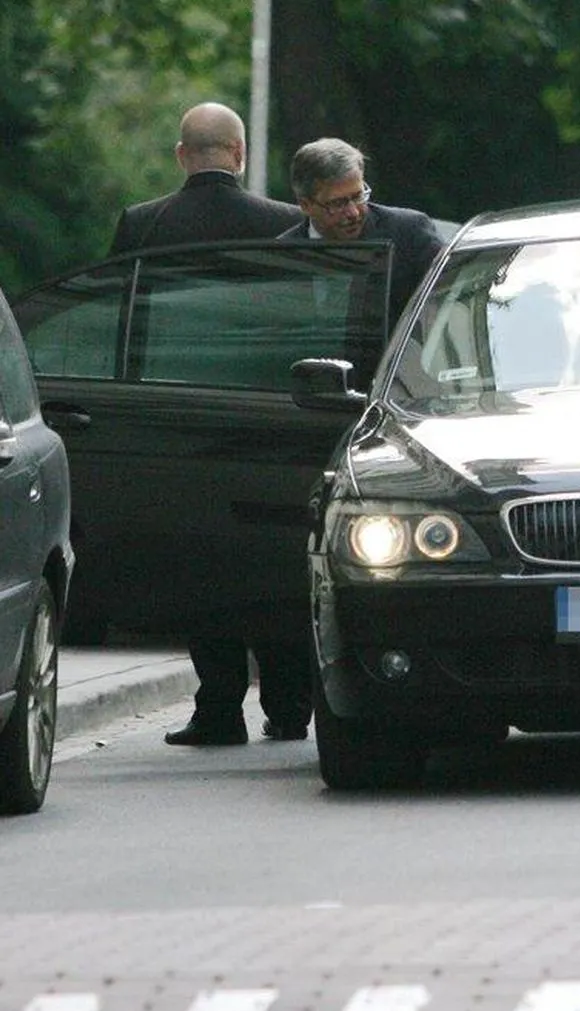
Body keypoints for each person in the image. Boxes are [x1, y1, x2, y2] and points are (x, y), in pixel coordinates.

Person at [108, 102, 312, 748]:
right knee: (275, 560)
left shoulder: (143, 226)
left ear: (180, 156)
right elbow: (310, 320)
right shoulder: (285, 224)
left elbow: (118, 320)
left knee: (203, 562)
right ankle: (288, 704)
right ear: (240, 153)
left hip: (180, 424)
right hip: (273, 422)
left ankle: (220, 708)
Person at [278, 137, 444, 320]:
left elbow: (449, 302)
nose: (353, 212)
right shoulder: (282, 256)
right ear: (305, 205)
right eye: (338, 203)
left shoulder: (409, 234)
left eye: (358, 196)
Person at [109, 101, 303, 255]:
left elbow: (112, 293)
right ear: (239, 153)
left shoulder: (138, 223)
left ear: (181, 154)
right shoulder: (289, 222)